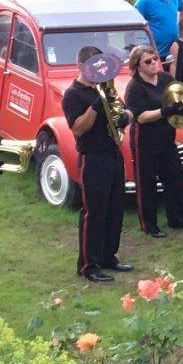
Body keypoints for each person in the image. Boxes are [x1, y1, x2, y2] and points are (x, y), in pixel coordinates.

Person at [62, 48, 132, 283]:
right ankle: (88, 264)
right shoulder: (73, 94)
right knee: (94, 212)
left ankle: (108, 255)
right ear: (81, 66)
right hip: (92, 157)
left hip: (113, 152)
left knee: (115, 207)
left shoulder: (106, 87)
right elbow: (77, 128)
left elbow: (124, 111)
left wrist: (125, 117)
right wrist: (95, 105)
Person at [123, 45, 183, 239]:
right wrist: (165, 111)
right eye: (148, 61)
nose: (154, 63)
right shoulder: (135, 87)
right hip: (145, 141)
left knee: (175, 177)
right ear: (137, 66)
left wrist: (181, 107)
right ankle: (149, 225)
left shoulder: (165, 79)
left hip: (166, 137)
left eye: (155, 58)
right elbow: (140, 117)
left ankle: (178, 219)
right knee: (146, 183)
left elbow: (180, 96)